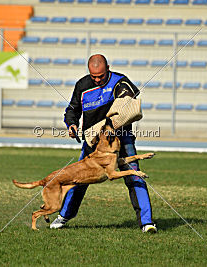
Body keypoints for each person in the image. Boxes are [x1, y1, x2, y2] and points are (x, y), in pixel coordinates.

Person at [50, 54, 157, 233]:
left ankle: (147, 223)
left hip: (122, 139)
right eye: (94, 77)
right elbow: (72, 110)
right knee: (78, 180)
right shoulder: (82, 86)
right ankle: (64, 216)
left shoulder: (119, 81)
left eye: (101, 76)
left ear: (108, 67)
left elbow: (131, 96)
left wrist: (125, 96)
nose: (98, 80)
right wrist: (72, 125)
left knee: (135, 176)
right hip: (93, 143)